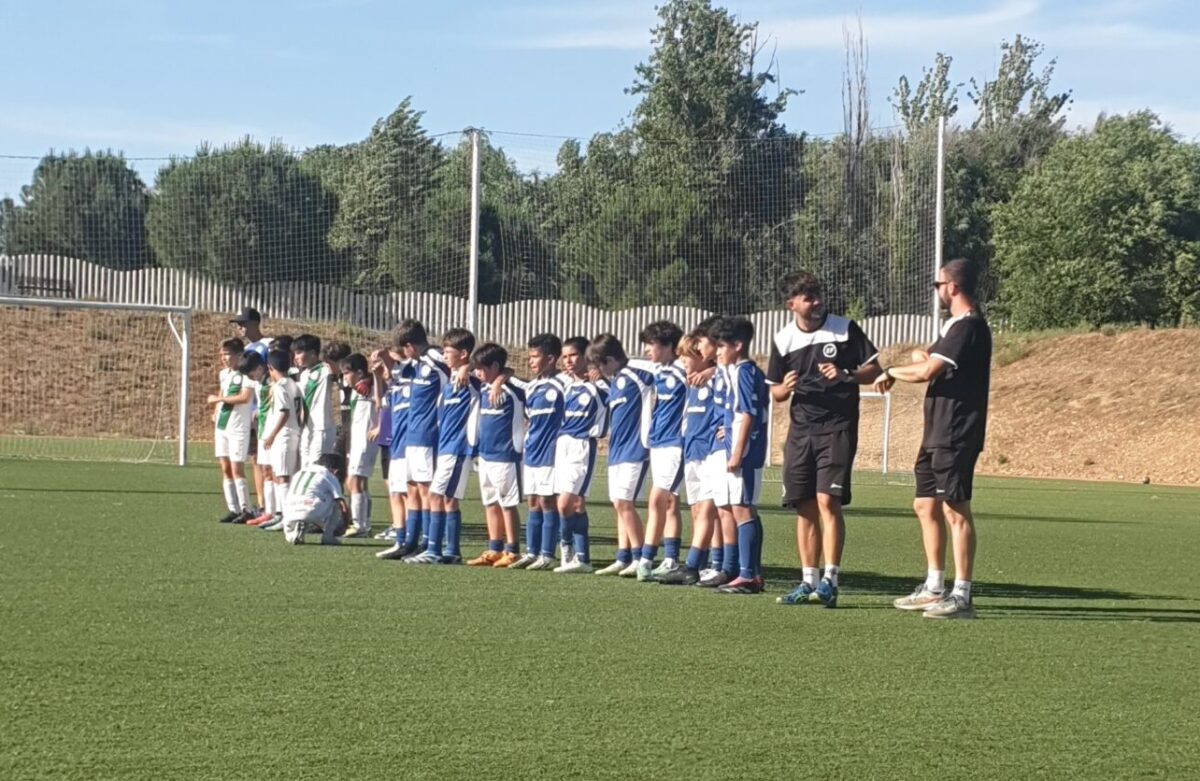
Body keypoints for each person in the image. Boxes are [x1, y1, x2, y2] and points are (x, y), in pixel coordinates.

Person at [879, 259, 992, 620]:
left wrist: (891, 371)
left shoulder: (969, 326)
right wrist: (920, 357)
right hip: (937, 432)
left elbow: (928, 371)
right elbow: (931, 359)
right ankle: (934, 586)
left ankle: (963, 596)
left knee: (955, 510)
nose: (937, 291)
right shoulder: (954, 327)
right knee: (925, 505)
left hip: (956, 431)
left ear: (952, 287)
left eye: (937, 284)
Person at [767, 271, 884, 609]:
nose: (816, 302)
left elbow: (875, 370)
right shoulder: (783, 339)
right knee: (803, 506)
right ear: (791, 304)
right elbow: (774, 392)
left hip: (837, 427)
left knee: (826, 501)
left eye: (818, 295)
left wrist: (847, 374)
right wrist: (784, 389)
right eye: (808, 297)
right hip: (800, 432)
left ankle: (831, 579)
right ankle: (808, 580)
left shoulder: (844, 329)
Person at [406, 328, 481, 565]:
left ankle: (434, 549)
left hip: (458, 448)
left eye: (448, 352)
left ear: (463, 353)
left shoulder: (472, 381)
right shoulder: (449, 383)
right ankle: (452, 550)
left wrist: (467, 368)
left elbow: (500, 369)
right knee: (448, 499)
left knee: (437, 495)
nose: (444, 355)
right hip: (445, 448)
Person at [709, 317, 769, 595]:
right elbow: (738, 414)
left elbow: (748, 413)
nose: (717, 351)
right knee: (741, 508)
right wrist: (727, 429)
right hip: (740, 447)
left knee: (743, 509)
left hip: (745, 453)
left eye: (721, 345)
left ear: (738, 345)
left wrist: (736, 451)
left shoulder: (744, 371)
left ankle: (748, 576)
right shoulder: (739, 371)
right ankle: (752, 574)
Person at [658, 331, 723, 586]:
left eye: (687, 356)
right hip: (692, 450)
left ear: (702, 357)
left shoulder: (716, 378)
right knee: (697, 510)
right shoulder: (691, 381)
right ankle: (706, 563)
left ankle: (702, 565)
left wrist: (713, 371)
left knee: (709, 509)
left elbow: (733, 375)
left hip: (710, 452)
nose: (682, 360)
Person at [587, 334, 653, 577]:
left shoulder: (638, 371)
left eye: (601, 364)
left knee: (625, 502)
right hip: (617, 450)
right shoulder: (615, 381)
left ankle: (639, 556)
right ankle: (623, 556)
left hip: (636, 449)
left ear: (612, 358)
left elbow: (668, 369)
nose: (600, 370)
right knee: (618, 503)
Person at [466, 343, 527, 568]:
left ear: (495, 366)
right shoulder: (482, 388)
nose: (477, 373)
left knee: (508, 504)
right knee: (490, 503)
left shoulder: (513, 390)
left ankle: (512, 550)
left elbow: (524, 382)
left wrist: (502, 379)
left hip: (507, 456)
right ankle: (494, 548)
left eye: (481, 368)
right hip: (486, 456)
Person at [551, 336, 608, 575]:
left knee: (567, 503)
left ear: (586, 356)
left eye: (573, 355)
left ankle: (566, 548)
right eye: (565, 357)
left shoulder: (601, 386)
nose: (568, 361)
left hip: (582, 445)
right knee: (573, 503)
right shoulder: (565, 384)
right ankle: (582, 557)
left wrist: (602, 377)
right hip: (562, 445)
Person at [636, 320, 687, 582]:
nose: (646, 349)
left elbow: (712, 371)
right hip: (658, 442)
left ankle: (646, 559)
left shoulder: (683, 369)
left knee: (659, 499)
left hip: (675, 443)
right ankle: (670, 559)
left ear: (668, 346)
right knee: (669, 502)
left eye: (651, 344)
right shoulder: (658, 370)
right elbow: (626, 363)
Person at [513, 333, 566, 571]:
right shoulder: (532, 386)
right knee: (532, 501)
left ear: (552, 358)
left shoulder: (564, 383)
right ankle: (531, 552)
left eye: (535, 357)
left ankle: (548, 554)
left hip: (551, 452)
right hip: (532, 451)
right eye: (530, 356)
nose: (530, 361)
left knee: (547, 501)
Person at [374, 350, 417, 559]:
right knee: (395, 491)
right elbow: (379, 402)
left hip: (410, 445)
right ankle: (400, 538)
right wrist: (379, 376)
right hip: (396, 446)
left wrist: (387, 357)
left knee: (409, 492)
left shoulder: (412, 383)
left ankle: (411, 537)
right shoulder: (394, 389)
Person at [209, 341, 256, 524]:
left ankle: (247, 509)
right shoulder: (224, 374)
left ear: (238, 354)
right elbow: (222, 390)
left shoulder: (246, 375)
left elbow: (245, 398)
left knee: (238, 469)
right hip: (222, 426)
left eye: (227, 354)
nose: (224, 358)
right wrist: (215, 411)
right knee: (225, 468)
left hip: (238, 428)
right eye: (222, 354)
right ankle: (233, 508)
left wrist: (219, 399)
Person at [257, 349, 301, 532]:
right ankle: (285, 515)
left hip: (284, 436)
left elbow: (284, 412)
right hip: (293, 433)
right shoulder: (293, 383)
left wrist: (272, 435)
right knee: (282, 476)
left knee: (283, 477)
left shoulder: (279, 386)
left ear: (270, 368)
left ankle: (286, 517)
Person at [339, 353, 378, 538]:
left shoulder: (368, 387)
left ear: (360, 372)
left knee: (355, 481)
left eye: (347, 373)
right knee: (358, 482)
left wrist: (370, 380)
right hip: (356, 440)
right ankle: (365, 523)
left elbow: (381, 393)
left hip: (365, 440)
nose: (344, 377)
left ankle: (359, 525)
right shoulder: (355, 389)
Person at [282, 453, 350, 546]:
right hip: (310, 509)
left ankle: (294, 533)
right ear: (336, 470)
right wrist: (346, 525)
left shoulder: (299, 472)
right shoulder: (329, 475)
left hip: (288, 512)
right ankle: (328, 536)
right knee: (335, 498)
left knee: (290, 537)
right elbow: (343, 507)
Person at [293, 334, 335, 469]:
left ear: (312, 353)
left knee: (317, 468)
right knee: (304, 466)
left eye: (299, 353)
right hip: (307, 427)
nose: (296, 357)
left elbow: (336, 370)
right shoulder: (304, 374)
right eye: (294, 353)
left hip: (322, 427)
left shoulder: (325, 370)